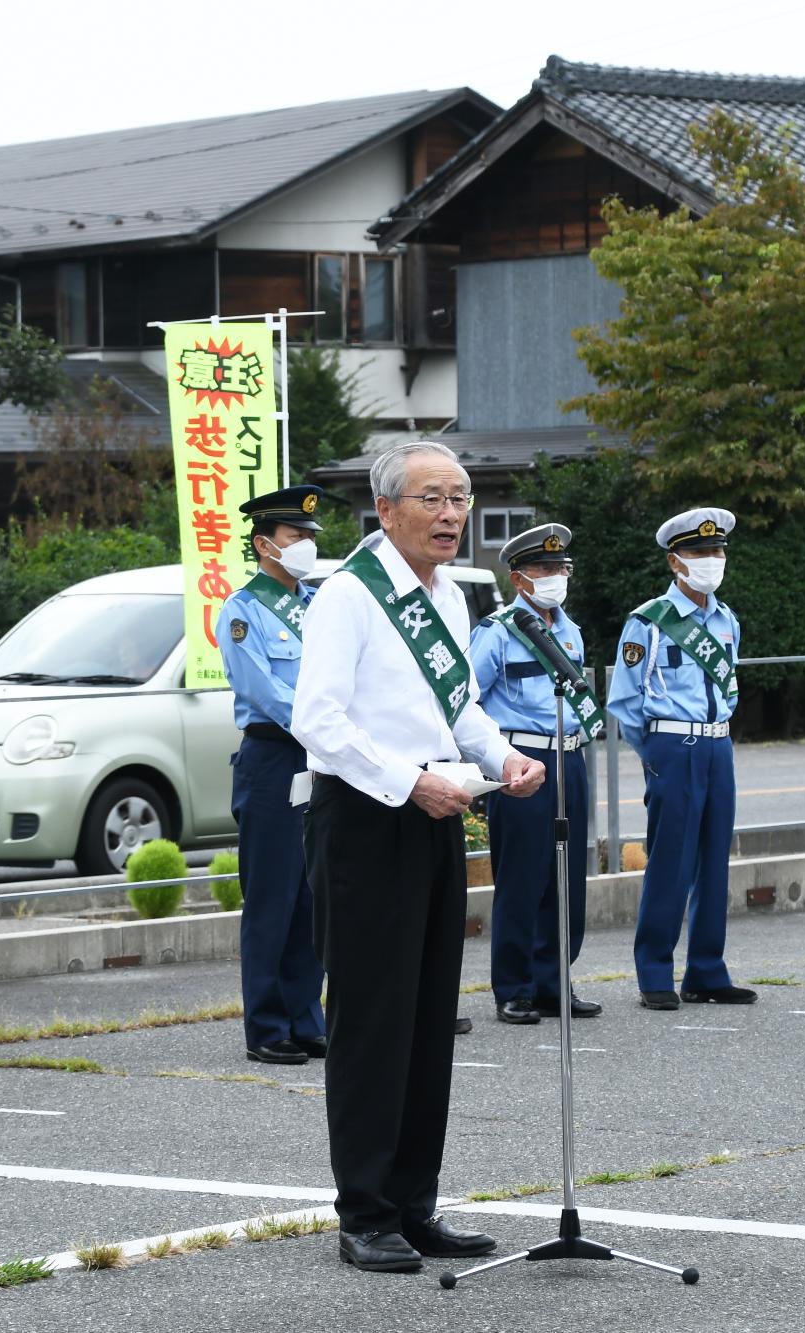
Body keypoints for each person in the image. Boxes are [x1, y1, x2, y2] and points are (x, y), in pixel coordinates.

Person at [292, 440, 547, 1274]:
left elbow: (459, 707)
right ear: (388, 509)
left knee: (431, 1014)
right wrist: (407, 783)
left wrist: (501, 755)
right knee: (373, 1018)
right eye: (434, 498)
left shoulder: (449, 599)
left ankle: (413, 1201)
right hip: (367, 819)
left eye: (462, 497)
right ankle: (363, 1210)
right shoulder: (348, 597)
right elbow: (318, 721)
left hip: (437, 810)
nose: (451, 514)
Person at [605, 507, 757, 1012]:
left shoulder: (727, 619)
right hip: (673, 746)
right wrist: (657, 756)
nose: (711, 560)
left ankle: (707, 972)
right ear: (675, 561)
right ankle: (654, 971)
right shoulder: (648, 623)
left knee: (715, 860)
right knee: (671, 860)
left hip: (718, 744)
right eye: (698, 553)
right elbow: (625, 703)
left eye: (716, 552)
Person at [467, 523, 604, 1026]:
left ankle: (554, 981)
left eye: (561, 569)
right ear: (519, 578)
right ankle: (514, 986)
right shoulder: (497, 632)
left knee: (567, 879)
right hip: (520, 759)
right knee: (522, 877)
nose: (555, 577)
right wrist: (490, 762)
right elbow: (466, 700)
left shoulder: (571, 631)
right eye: (545, 569)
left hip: (569, 757)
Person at [216, 484, 330, 1067]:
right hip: (274, 757)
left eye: (311, 537)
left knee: (312, 894)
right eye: (296, 536)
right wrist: (325, 726)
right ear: (265, 544)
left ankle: (307, 1019)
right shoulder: (242, 611)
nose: (308, 545)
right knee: (272, 896)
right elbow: (262, 688)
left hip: (320, 757)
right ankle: (266, 1025)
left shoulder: (319, 605)